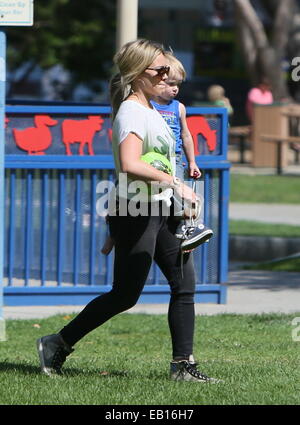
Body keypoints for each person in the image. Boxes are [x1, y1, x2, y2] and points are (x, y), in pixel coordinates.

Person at [36, 39, 219, 383]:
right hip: (136, 210)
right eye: (160, 70)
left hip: (160, 208)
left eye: (168, 70)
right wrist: (175, 184)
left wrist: (178, 193)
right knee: (125, 294)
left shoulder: (152, 109)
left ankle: (183, 366)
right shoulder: (132, 111)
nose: (167, 76)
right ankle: (56, 343)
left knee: (184, 285)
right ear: (138, 74)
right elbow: (131, 164)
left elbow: (161, 159)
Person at [151, 52, 213, 250]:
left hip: (174, 158)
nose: (175, 89)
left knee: (183, 193)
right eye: (170, 84)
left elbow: (186, 136)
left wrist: (192, 161)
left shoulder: (179, 108)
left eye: (178, 84)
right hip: (153, 158)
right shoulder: (147, 105)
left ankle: (189, 227)